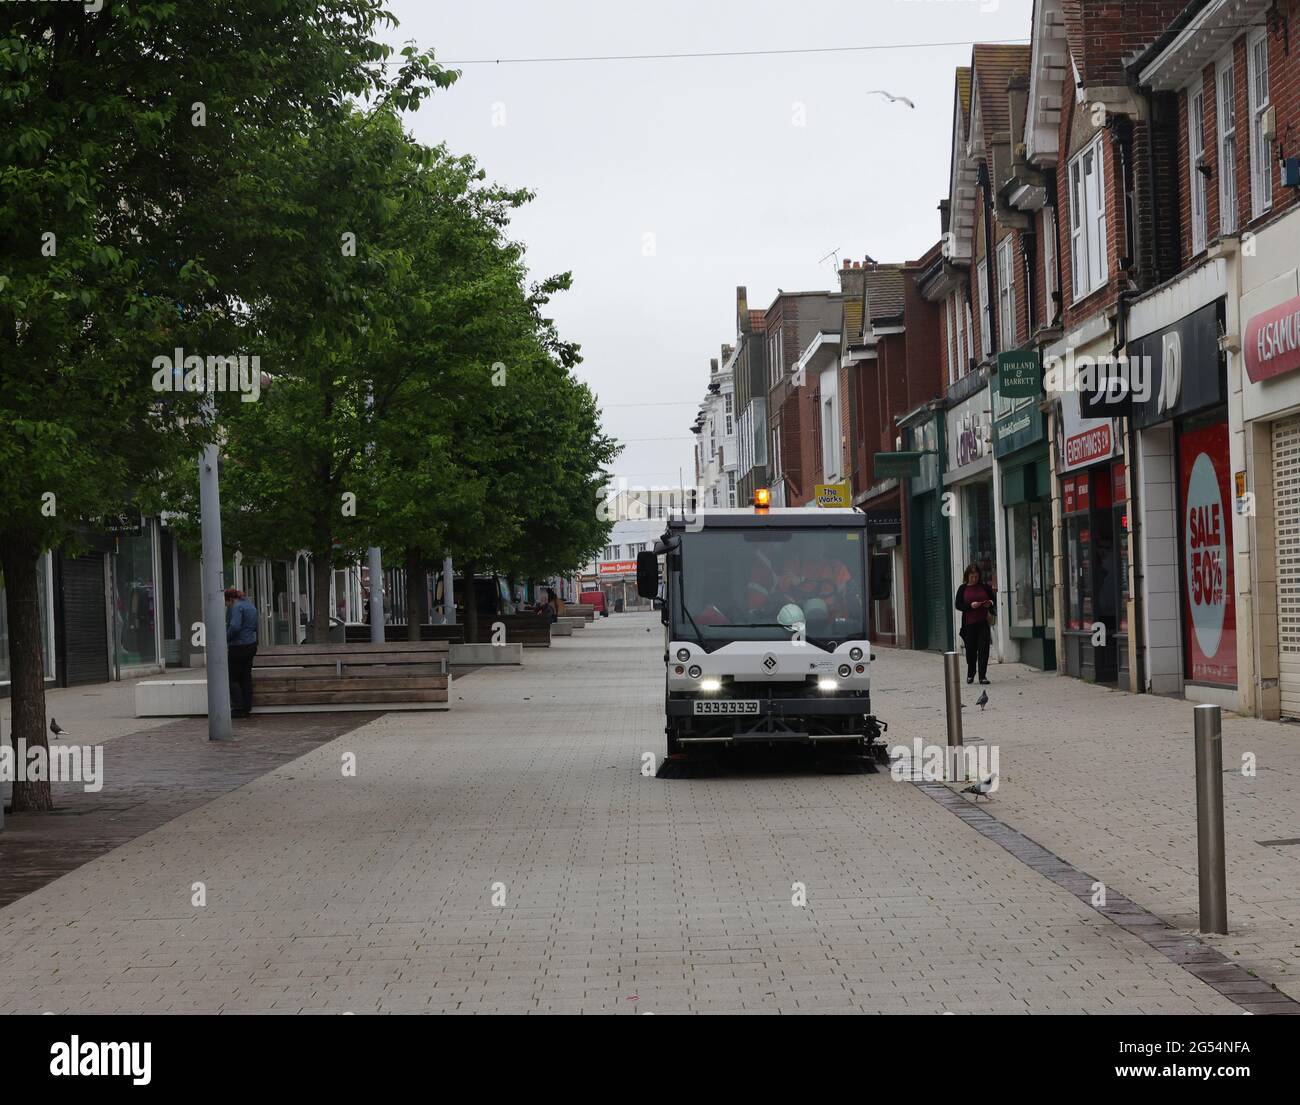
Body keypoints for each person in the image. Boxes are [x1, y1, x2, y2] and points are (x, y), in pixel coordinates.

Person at [954, 564, 995, 685]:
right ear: (967, 576)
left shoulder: (984, 587)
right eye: (972, 576)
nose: (974, 579)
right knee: (971, 650)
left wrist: (989, 603)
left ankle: (982, 676)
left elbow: (992, 599)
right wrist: (970, 606)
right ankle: (971, 673)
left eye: (976, 576)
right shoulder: (963, 588)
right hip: (969, 624)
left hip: (983, 622)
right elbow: (958, 605)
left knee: (984, 649)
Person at [224, 587, 259, 718]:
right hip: (251, 644)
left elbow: (235, 626)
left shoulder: (237, 607)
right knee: (245, 677)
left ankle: (238, 707)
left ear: (230, 599)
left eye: (226, 603)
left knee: (232, 677)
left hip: (238, 646)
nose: (227, 606)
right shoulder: (250, 606)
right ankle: (247, 706)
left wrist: (225, 638)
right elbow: (255, 626)